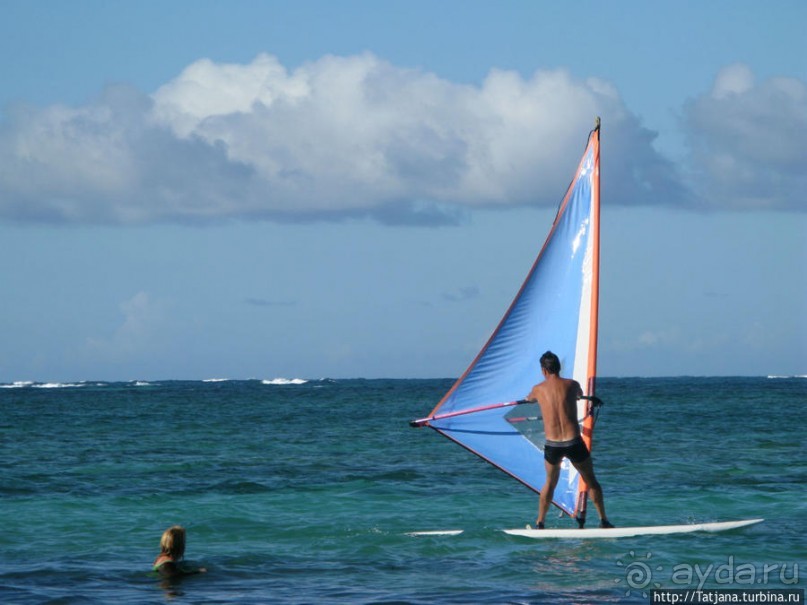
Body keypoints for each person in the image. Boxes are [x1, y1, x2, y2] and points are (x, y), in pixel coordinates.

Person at [525, 351, 613, 529]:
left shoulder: (537, 389)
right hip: (573, 442)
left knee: (550, 482)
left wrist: (529, 399)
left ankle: (540, 522)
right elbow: (579, 395)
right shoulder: (572, 385)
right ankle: (603, 520)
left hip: (553, 445)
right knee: (591, 480)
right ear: (558, 367)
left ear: (543, 370)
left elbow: (529, 399)